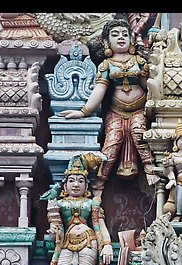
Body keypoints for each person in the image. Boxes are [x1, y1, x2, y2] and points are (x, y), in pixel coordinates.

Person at [59, 18, 158, 196]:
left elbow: (148, 87)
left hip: (138, 110)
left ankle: (151, 171)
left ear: (131, 39)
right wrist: (84, 111)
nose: (121, 38)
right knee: (111, 144)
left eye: (124, 34)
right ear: (106, 42)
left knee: (139, 134)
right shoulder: (107, 64)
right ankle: (98, 185)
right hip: (116, 111)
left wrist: (156, 106)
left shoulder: (140, 62)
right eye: (115, 34)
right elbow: (100, 89)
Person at [39, 154, 114, 265]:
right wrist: (53, 233)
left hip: (88, 243)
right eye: (71, 180)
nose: (76, 184)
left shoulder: (93, 204)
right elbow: (55, 226)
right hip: (65, 244)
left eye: (80, 181)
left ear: (86, 185)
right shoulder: (59, 203)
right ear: (65, 185)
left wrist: (107, 244)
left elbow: (100, 225)